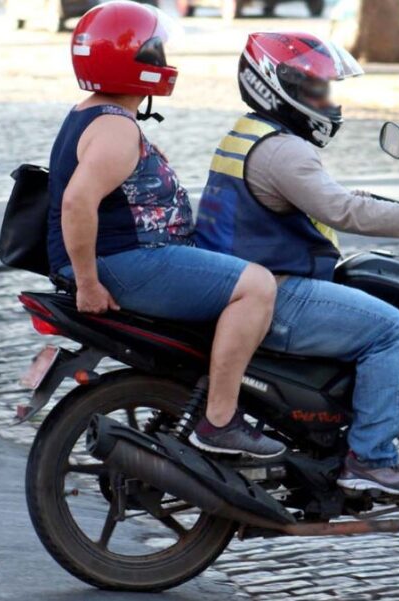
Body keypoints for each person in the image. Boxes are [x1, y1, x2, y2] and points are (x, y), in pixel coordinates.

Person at [195, 32, 399, 496]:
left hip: (240, 280)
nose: (328, 100)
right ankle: (370, 458)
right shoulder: (285, 150)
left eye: (327, 87)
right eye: (316, 88)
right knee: (391, 329)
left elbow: (330, 199)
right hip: (272, 292)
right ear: (277, 85)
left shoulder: (251, 134)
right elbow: (343, 211)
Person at [48, 2, 283, 458]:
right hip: (126, 262)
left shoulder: (94, 111)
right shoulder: (114, 129)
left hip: (127, 257)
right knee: (257, 286)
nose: (163, 60)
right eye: (155, 52)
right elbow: (77, 202)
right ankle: (219, 422)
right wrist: (88, 283)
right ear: (135, 62)